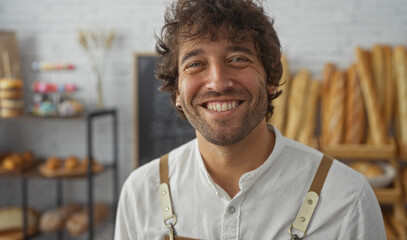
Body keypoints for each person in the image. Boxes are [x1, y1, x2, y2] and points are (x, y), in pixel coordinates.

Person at [115, 0, 386, 239]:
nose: (218, 82)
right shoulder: (140, 193)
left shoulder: (348, 199)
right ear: (176, 92)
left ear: (269, 79)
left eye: (238, 58)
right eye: (195, 64)